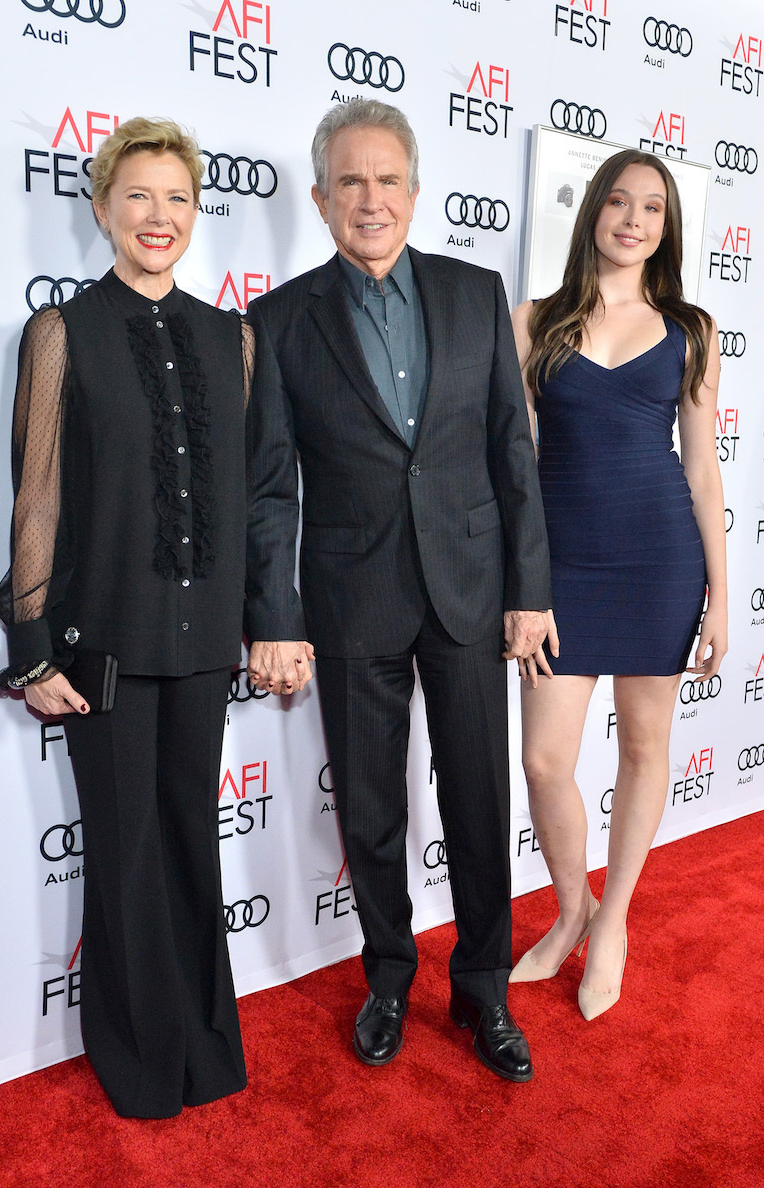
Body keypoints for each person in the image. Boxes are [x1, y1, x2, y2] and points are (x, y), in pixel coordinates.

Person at [244, 98, 551, 1081]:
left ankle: (482, 990)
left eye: (386, 180)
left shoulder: (474, 293)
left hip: (467, 590)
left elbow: (512, 452)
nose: (368, 199)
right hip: (347, 601)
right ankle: (386, 978)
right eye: (349, 182)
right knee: (369, 809)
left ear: (413, 192)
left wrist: (527, 591)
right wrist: (275, 618)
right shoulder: (280, 318)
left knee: (473, 798)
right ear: (320, 196)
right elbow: (267, 487)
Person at [0, 117, 255, 1116]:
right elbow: (41, 496)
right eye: (137, 195)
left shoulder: (231, 337)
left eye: (177, 198)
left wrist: (259, 620)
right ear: (101, 209)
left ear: (197, 213)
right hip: (98, 645)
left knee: (192, 840)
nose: (159, 216)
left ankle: (204, 1047)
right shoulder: (63, 332)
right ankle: (141, 1063)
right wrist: (30, 648)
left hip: (200, 648)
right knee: (127, 851)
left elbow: (241, 499)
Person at [510, 149, 727, 1020]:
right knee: (544, 758)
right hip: (560, 568)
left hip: (659, 559)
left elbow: (704, 473)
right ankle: (572, 909)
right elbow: (515, 465)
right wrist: (520, 585)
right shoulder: (533, 320)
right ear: (592, 210)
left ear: (666, 229)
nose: (633, 221)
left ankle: (614, 924)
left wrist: (719, 597)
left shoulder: (692, 330)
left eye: (652, 210)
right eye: (619, 203)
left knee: (644, 747)